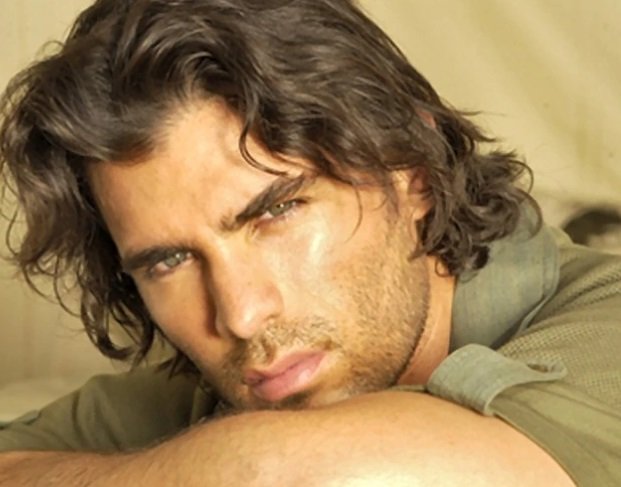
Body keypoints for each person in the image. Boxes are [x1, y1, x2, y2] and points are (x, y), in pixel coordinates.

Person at [0, 0, 619, 485]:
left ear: (413, 173)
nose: (241, 315)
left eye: (277, 211)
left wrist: (233, 461)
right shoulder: (256, 374)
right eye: (170, 260)